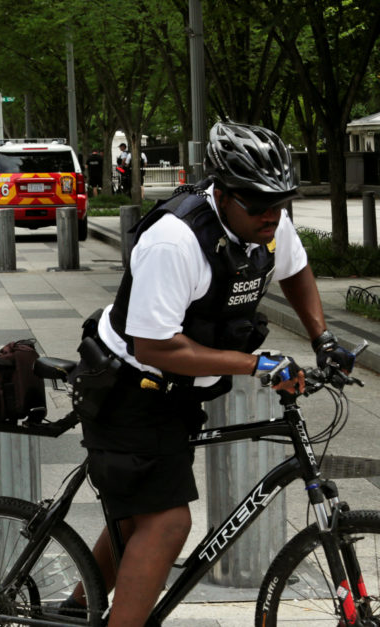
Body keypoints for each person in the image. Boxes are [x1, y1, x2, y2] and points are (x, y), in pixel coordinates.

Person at [63, 121, 356, 626]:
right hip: (127, 388)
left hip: (176, 391)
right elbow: (154, 345)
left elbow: (295, 268)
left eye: (281, 203)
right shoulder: (174, 241)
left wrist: (321, 339)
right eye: (260, 205)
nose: (273, 216)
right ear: (222, 192)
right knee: (168, 523)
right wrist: (256, 364)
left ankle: (74, 612)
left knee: (137, 516)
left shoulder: (265, 221)